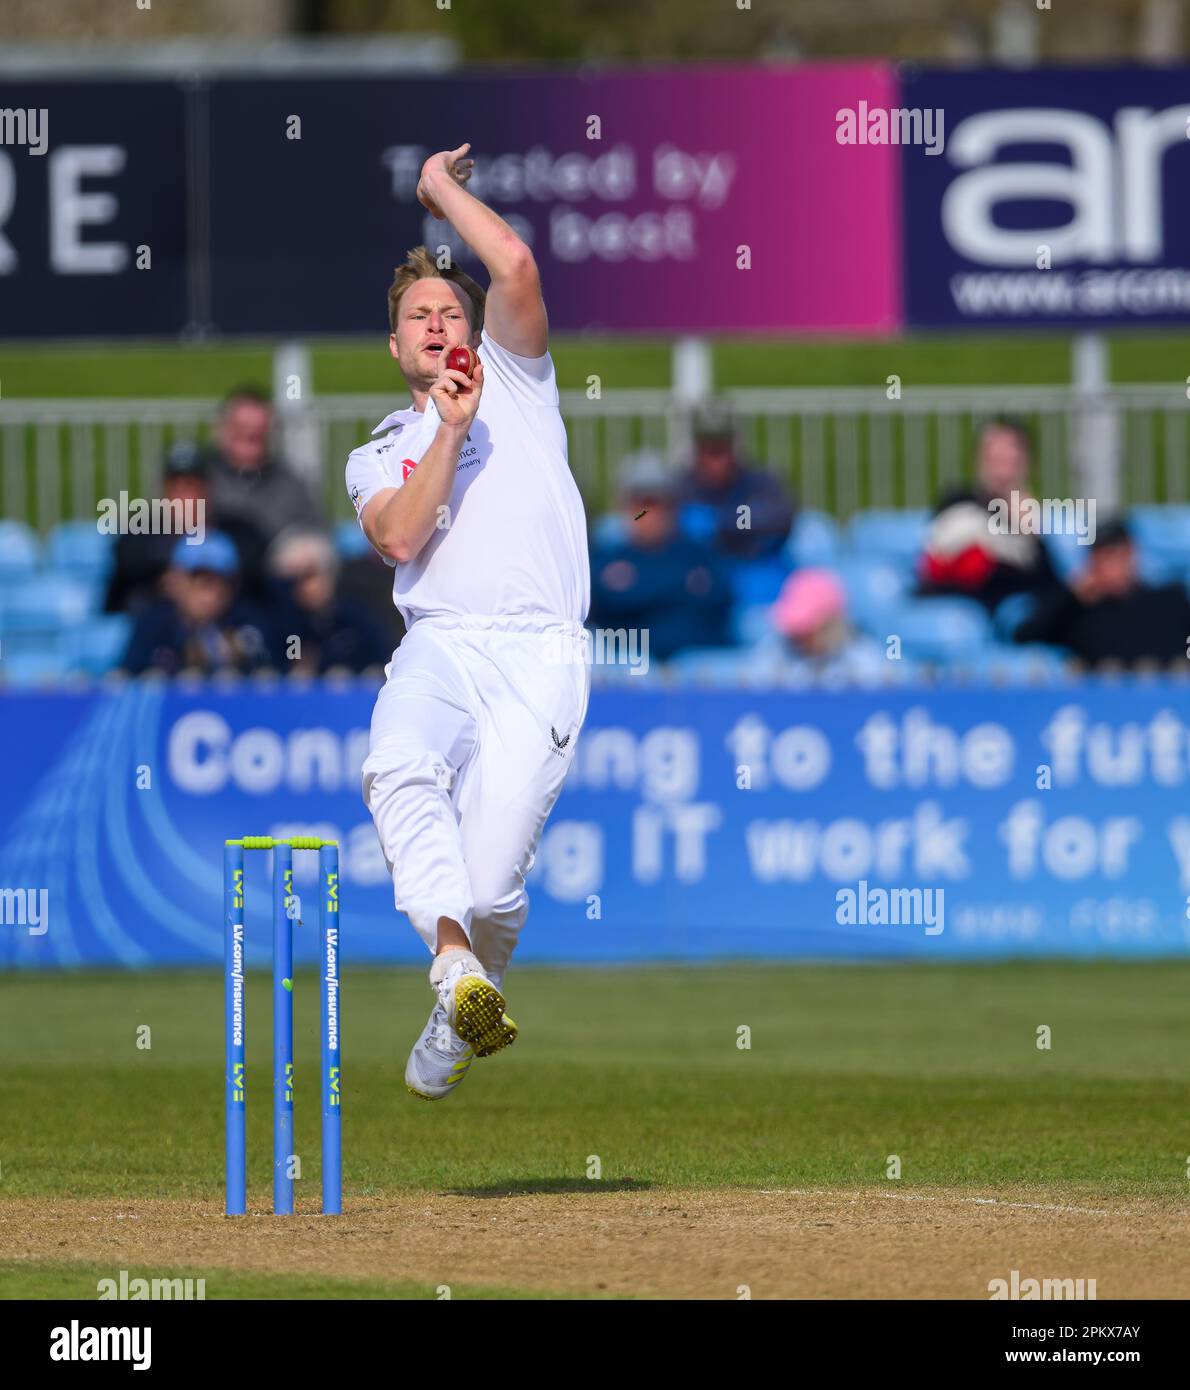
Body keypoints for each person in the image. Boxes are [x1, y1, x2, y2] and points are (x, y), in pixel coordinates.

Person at [345, 144, 590, 1102]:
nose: (439, 323)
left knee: (490, 890)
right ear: (398, 348)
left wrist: (441, 192)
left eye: (451, 311)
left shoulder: (519, 379)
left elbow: (518, 269)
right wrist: (447, 432)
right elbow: (402, 541)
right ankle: (453, 971)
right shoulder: (383, 450)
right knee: (397, 765)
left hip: (542, 652)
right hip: (441, 641)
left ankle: (455, 1013)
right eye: (420, 317)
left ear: (472, 331)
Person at [589, 450, 733, 662]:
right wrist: (679, 586)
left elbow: (720, 600)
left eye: (656, 503)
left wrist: (638, 589)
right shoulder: (607, 557)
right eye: (641, 504)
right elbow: (601, 601)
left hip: (695, 670)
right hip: (624, 670)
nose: (648, 514)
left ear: (673, 507)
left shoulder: (699, 554)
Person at [918, 417, 1061, 613]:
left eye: (1010, 461)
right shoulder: (959, 502)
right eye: (995, 459)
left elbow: (1049, 583)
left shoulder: (1029, 518)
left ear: (1026, 465)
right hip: (971, 610)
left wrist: (1029, 533)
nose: (1002, 472)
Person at [1013, 518, 1190, 668]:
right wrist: (1072, 597)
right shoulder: (1080, 614)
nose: (1115, 566)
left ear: (1133, 554)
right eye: (1106, 557)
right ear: (1092, 563)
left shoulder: (1170, 600)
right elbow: (1023, 636)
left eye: (1121, 555)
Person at [122, 532, 277, 676]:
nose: (210, 595)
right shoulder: (153, 622)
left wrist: (234, 652)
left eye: (219, 583)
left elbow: (271, 668)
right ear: (174, 581)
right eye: (199, 582)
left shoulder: (248, 618)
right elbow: (128, 675)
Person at [203, 387, 322, 547]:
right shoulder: (199, 478)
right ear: (223, 431)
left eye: (257, 436)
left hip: (276, 564)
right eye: (241, 433)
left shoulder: (289, 481)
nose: (250, 444)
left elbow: (317, 530)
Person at [676, 401, 795, 561]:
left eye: (720, 450)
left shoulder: (760, 482)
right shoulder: (678, 485)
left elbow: (780, 516)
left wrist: (722, 521)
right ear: (697, 451)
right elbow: (642, 514)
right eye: (709, 450)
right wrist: (650, 514)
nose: (716, 461)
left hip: (750, 564)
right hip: (697, 572)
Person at [267, 528, 390, 674]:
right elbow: (287, 659)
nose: (301, 587)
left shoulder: (355, 619)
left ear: (329, 574)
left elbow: (381, 659)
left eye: (309, 576)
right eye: (292, 580)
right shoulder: (286, 625)